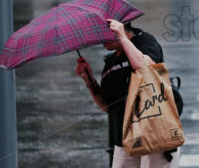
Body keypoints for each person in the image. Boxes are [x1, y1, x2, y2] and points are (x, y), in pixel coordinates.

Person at [75, 19, 180, 168]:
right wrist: (89, 78)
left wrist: (122, 37)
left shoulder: (144, 40)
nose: (100, 40)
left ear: (117, 29)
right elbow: (107, 105)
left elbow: (148, 69)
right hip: (125, 138)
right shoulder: (111, 60)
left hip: (155, 132)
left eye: (103, 34)